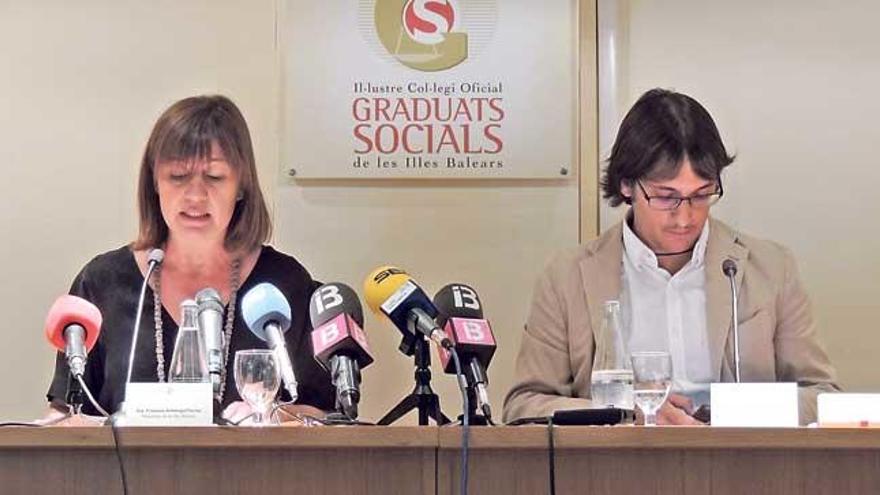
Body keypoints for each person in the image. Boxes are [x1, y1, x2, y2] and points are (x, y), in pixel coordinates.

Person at [503, 88, 839, 425]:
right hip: (613, 469)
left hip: (741, 465)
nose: (685, 217)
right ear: (626, 185)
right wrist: (622, 414)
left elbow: (822, 396)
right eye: (666, 198)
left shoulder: (769, 268)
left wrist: (730, 411)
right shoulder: (568, 277)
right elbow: (524, 405)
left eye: (701, 195)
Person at [44, 95, 333, 423]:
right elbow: (65, 414)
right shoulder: (102, 283)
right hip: (123, 475)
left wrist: (275, 418)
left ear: (241, 186)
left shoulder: (283, 284)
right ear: (155, 182)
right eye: (178, 176)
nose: (195, 196)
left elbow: (322, 414)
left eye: (214, 177)